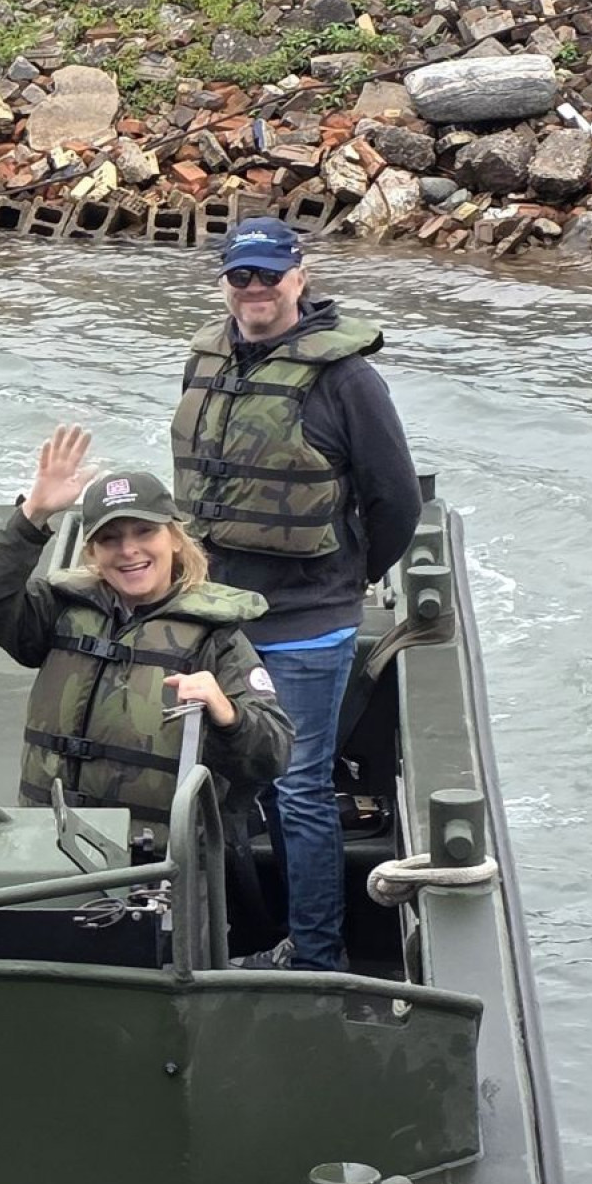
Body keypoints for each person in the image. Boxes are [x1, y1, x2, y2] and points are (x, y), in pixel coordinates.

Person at [172, 218, 420, 971]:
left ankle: (316, 954)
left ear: (299, 277)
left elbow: (396, 499)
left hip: (308, 623)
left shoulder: (348, 379)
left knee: (300, 788)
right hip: (219, 615)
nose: (255, 291)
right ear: (225, 282)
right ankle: (235, 939)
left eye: (269, 276)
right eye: (240, 277)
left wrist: (346, 580)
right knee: (220, 788)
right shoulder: (207, 357)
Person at [0, 428, 293, 853]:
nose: (128, 550)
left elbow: (274, 751)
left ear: (174, 538)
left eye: (144, 532)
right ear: (92, 552)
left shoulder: (216, 636)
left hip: (154, 863)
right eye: (110, 538)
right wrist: (33, 514)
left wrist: (227, 714)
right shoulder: (59, 610)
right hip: (48, 847)